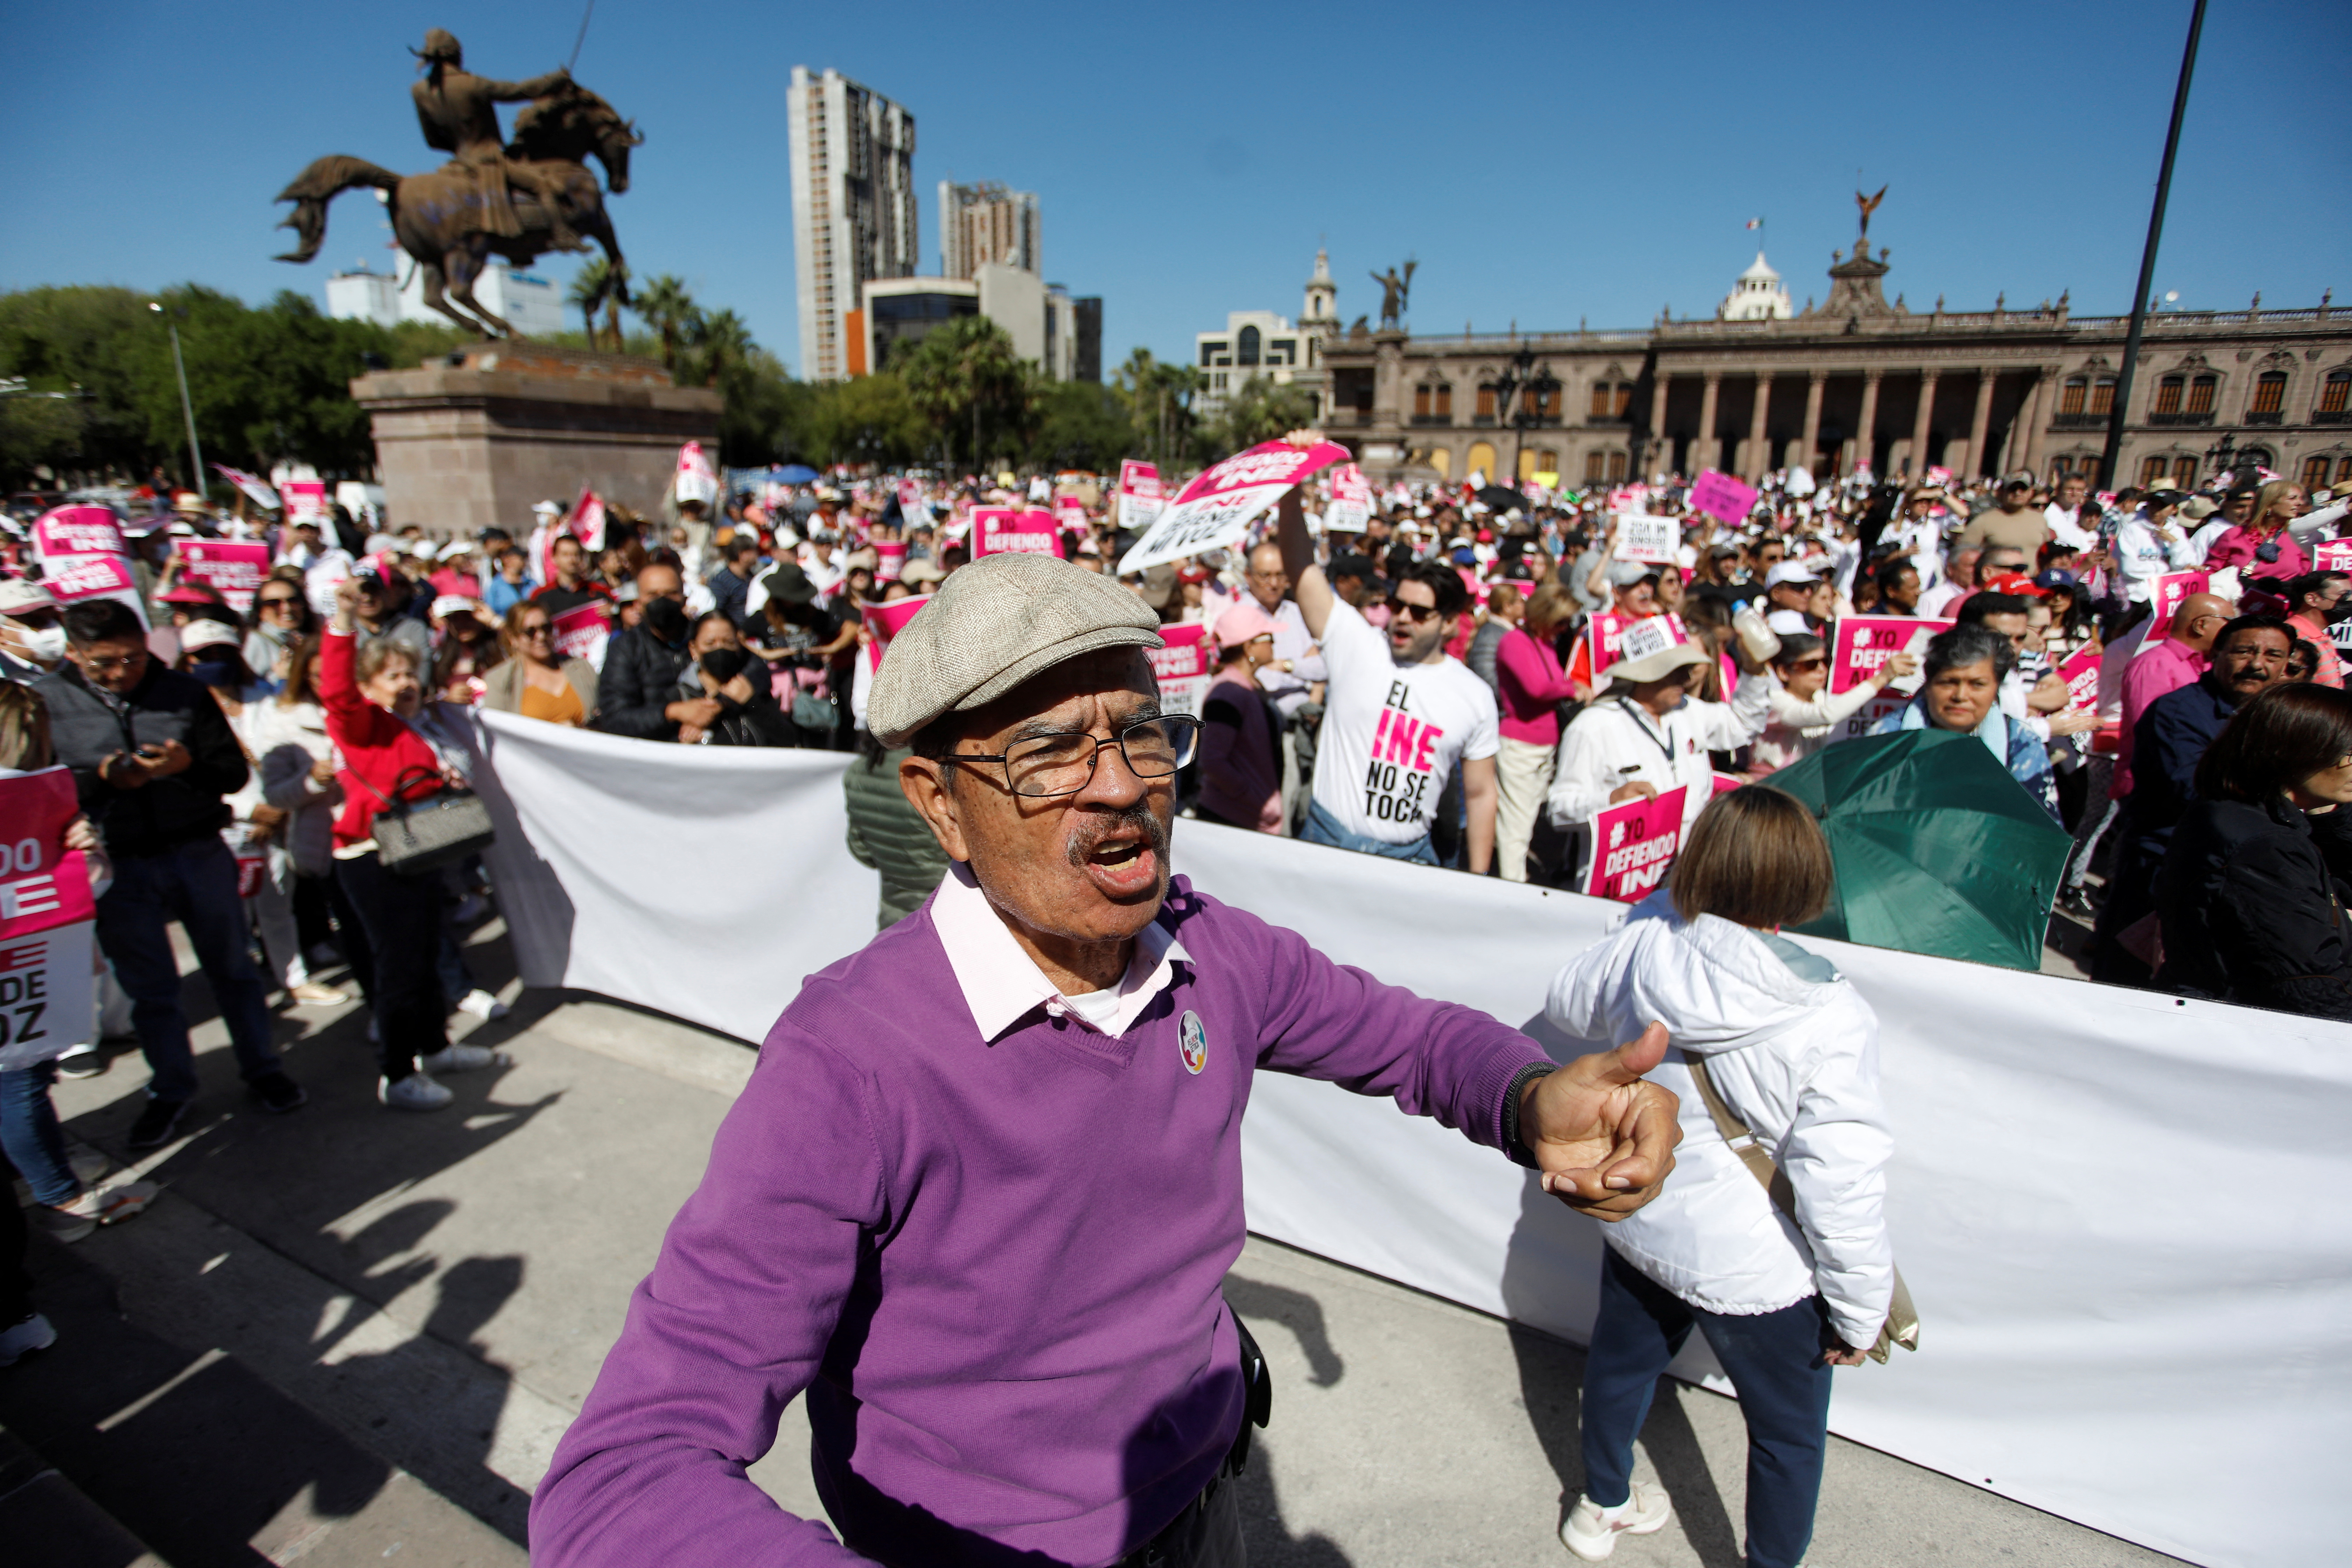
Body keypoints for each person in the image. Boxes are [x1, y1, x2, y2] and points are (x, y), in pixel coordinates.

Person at [528, 547, 1681, 1568]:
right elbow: (622, 1481)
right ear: (938, 804)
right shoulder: (847, 1066)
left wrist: (1529, 1098)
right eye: (1048, 756)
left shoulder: (1212, 948)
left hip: (1210, 1492)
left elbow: (1413, 1039)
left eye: (1139, 732)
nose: (1123, 786)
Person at [1547, 786, 1889, 1568]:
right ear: (1805, 876)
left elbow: (1565, 1002)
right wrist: (1860, 1304)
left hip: (1642, 1208)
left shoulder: (1649, 938)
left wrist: (1648, 914)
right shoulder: (1830, 1008)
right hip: (1756, 1263)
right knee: (1787, 1435)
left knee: (1620, 1364)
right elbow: (1842, 1176)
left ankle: (1600, 1505)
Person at [35, 599, 305, 1147]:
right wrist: (102, 779)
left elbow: (230, 772)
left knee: (233, 968)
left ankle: (262, 1068)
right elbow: (42, 789)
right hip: (119, 862)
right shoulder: (47, 703)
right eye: (103, 664)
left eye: (133, 659)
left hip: (196, 850)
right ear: (73, 654)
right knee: (150, 989)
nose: (122, 673)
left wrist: (189, 768)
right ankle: (172, 1089)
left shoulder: (181, 691)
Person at [320, 578, 510, 1111]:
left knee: (426, 954)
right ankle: (398, 1074)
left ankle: (435, 1047)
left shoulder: (412, 727)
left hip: (417, 852)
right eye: (393, 675)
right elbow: (334, 691)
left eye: (410, 673)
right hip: (372, 859)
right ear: (369, 685)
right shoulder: (360, 723)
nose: (406, 683)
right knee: (398, 966)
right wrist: (341, 621)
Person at [0, 683, 160, 1239]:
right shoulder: (24, 800)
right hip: (21, 969)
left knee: (28, 1078)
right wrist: (81, 853)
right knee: (20, 1083)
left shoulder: (35, 801)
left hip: (33, 967)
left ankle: (32, 1168)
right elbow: (78, 890)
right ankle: (61, 1197)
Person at [1276, 490, 1501, 871]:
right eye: (1398, 605)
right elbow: (1301, 567)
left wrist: (1479, 882)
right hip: (1327, 845)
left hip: (1410, 860)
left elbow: (1480, 795)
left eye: (1420, 611)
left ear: (1449, 623)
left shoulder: (1475, 696)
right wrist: (1291, 491)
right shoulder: (1357, 643)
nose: (1403, 617)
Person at [2093, 615, 2295, 980]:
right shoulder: (2180, 711)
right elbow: (2193, 791)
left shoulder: (2275, 716)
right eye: (2245, 652)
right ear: (2216, 653)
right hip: (2163, 871)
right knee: (2131, 987)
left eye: (2272, 655)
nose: (2257, 665)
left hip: (2228, 874)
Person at [2156, 683, 2352, 1020]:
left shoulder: (2241, 812)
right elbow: (2310, 987)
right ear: (2302, 748)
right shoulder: (2266, 846)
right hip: (2246, 1033)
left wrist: (2328, 820)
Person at [1551, 638, 1773, 848]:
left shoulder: (1688, 711)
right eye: (1675, 670)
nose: (1686, 678)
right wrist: (1611, 800)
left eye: (1687, 668)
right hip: (1627, 878)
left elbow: (1744, 725)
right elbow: (1560, 809)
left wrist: (1754, 672)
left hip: (1688, 868)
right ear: (1644, 674)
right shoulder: (1593, 727)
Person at [1867, 623, 2061, 820]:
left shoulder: (2019, 741)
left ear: (1996, 688)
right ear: (1929, 684)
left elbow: (2042, 827)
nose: (1961, 696)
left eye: (1977, 685)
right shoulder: (1889, 737)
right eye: (1949, 682)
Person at [1493, 580, 1585, 882]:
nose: (1564, 629)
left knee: (1525, 822)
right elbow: (1536, 688)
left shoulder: (1543, 643)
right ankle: (1511, 891)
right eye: (1560, 622)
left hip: (1541, 746)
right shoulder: (1515, 642)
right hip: (1522, 746)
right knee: (1515, 828)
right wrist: (1572, 688)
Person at [1748, 633, 1917, 775]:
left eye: (1826, 662)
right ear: (1784, 672)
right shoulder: (1773, 702)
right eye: (1810, 665)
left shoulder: (1822, 698)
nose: (1821, 670)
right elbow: (1827, 715)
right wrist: (1883, 678)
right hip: (1773, 788)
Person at [1192, 600, 1285, 834]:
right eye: (1267, 637)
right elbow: (1213, 761)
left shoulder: (1246, 684)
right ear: (1249, 647)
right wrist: (1252, 798)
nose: (1274, 643)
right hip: (1233, 821)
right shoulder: (1228, 692)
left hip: (1249, 817)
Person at [592, 562, 709, 741]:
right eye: (653, 595)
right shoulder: (626, 647)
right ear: (639, 604)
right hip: (655, 751)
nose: (662, 600)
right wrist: (672, 712)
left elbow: (750, 667)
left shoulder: (705, 635)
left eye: (671, 594)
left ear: (684, 599)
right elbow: (615, 717)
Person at [481, 601, 598, 725]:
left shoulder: (580, 666)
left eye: (546, 628)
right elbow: (498, 733)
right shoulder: (499, 681)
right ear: (513, 638)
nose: (541, 636)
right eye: (530, 632)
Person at [2204, 480, 2316, 583]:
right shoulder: (2234, 535)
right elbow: (2212, 573)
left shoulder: (2295, 539)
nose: (2299, 503)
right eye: (2292, 498)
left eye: (2300, 498)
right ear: (2269, 505)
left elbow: (2304, 577)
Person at [2280, 570, 2348, 688]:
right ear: (2312, 599)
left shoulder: (2315, 635)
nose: (2350, 601)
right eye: (2344, 595)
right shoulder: (2294, 638)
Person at [1955, 478, 2053, 555]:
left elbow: (2047, 554)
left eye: (2023, 489)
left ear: (2030, 492)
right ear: (2002, 492)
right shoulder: (1984, 521)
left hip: (2031, 580)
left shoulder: (2040, 520)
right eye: (2013, 489)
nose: (2018, 493)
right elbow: (1965, 554)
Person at [532, 534, 616, 619]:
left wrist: (614, 612)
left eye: (576, 555)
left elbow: (619, 612)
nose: (572, 560)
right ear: (554, 558)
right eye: (565, 555)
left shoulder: (601, 592)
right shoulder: (540, 597)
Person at [0, 578, 67, 684]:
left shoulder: (85, 665)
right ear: (1, 635)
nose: (52, 628)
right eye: (35, 622)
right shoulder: (6, 681)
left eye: (54, 618)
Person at [1468, 583, 1521, 692]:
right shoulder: (1490, 636)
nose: (1524, 605)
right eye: (1521, 601)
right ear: (1508, 607)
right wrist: (1513, 696)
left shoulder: (1509, 631)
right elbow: (1486, 677)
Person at [705, 536, 762, 629]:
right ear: (743, 554)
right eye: (754, 551)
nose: (757, 555)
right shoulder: (721, 581)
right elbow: (717, 613)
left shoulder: (751, 577)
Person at [484, 547, 538, 617]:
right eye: (520, 558)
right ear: (507, 560)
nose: (524, 562)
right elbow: (490, 610)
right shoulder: (496, 586)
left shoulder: (532, 584)